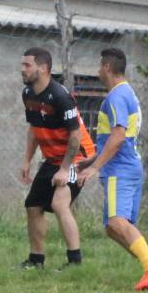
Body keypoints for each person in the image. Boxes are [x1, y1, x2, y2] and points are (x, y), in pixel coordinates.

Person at [76, 48, 148, 291]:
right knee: (113, 228)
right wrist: (91, 160)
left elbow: (119, 136)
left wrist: (95, 168)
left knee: (117, 222)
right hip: (129, 167)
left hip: (119, 170)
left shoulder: (116, 97)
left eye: (99, 67)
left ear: (107, 67)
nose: (98, 71)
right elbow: (118, 138)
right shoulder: (127, 93)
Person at [18, 47, 95, 270]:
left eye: (27, 65)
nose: (22, 69)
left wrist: (64, 169)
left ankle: (75, 262)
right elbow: (34, 129)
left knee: (59, 203)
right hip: (53, 159)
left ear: (43, 69)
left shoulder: (60, 97)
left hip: (77, 158)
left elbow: (75, 137)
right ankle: (36, 261)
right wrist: (27, 160)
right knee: (33, 205)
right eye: (22, 64)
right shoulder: (28, 94)